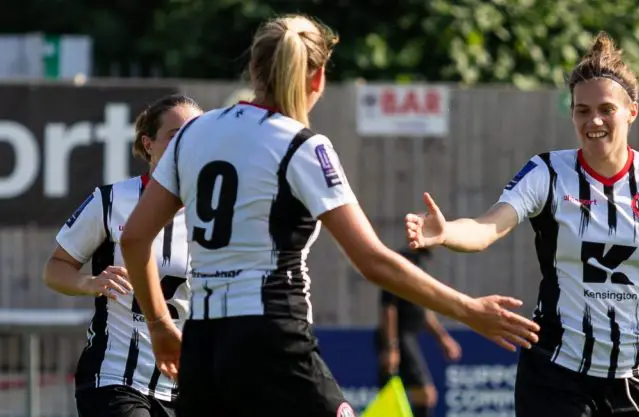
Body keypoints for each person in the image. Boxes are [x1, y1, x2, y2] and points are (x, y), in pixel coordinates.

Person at [118, 13, 540, 417]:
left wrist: (159, 324)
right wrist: (467, 309)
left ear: (252, 67)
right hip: (273, 338)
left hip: (203, 346)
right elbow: (372, 260)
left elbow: (135, 238)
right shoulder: (300, 145)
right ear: (317, 78)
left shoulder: (193, 133)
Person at [404, 32, 639, 417]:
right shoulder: (548, 172)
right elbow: (487, 227)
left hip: (632, 378)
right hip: (554, 373)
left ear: (632, 111)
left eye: (606, 109)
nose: (593, 120)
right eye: (582, 110)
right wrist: (446, 233)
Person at [43, 94, 202, 417]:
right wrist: (90, 282)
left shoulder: (214, 211)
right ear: (148, 144)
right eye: (175, 136)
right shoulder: (111, 199)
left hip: (189, 385)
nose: (188, 144)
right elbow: (55, 268)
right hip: (115, 378)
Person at [376, 248, 461, 417]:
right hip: (399, 340)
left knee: (421, 396)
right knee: (423, 395)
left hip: (407, 339)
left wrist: (443, 338)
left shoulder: (419, 268)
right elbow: (389, 310)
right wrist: (392, 347)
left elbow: (423, 313)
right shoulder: (397, 268)